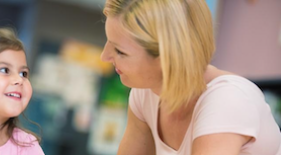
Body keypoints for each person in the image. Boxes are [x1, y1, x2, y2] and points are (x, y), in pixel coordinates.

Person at [100, 0, 281, 154]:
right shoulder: (146, 93)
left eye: (120, 51)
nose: (105, 56)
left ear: (167, 58)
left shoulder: (227, 101)